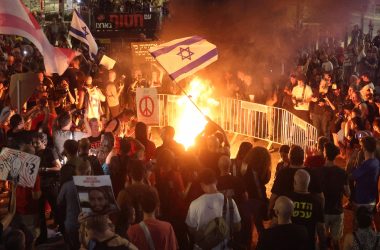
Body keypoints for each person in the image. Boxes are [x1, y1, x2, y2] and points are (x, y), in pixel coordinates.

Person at [186, 169, 241, 249]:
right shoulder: (230, 202)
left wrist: (207, 232)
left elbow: (191, 230)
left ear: (201, 184)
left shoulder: (194, 204)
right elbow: (237, 226)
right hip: (225, 247)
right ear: (216, 181)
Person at [269, 145, 323, 214]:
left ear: (290, 157)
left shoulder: (282, 173)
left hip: (286, 211)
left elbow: (274, 195)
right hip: (307, 212)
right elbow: (320, 197)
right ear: (303, 158)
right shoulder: (312, 173)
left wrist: (270, 209)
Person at [320, 143, 350, 250]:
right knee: (336, 242)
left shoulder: (318, 171)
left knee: (322, 241)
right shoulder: (342, 173)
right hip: (337, 210)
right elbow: (348, 193)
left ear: (325, 154)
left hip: (322, 211)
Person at [288, 169, 326, 250]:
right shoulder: (316, 202)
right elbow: (321, 228)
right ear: (308, 183)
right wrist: (323, 245)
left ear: (294, 183)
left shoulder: (287, 199)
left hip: (290, 243)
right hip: (308, 243)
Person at [351, 136, 380, 213]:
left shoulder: (366, 165)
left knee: (359, 223)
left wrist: (353, 159)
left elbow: (352, 176)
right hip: (371, 198)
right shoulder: (376, 162)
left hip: (362, 200)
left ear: (364, 148)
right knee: (369, 221)